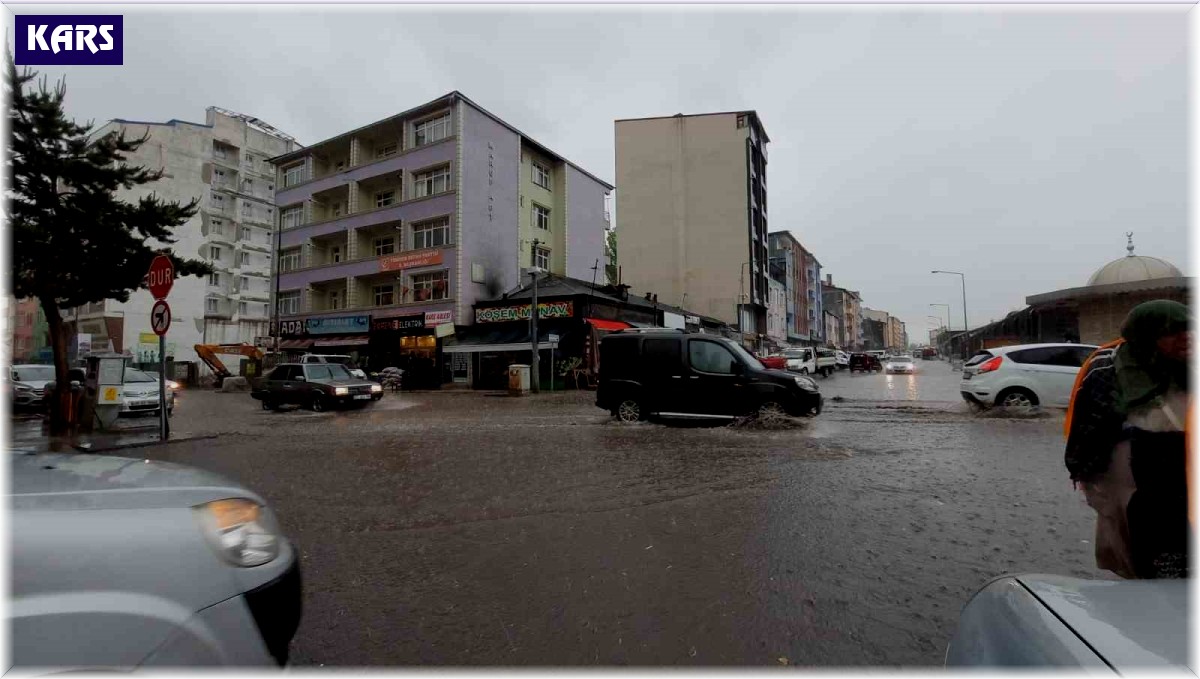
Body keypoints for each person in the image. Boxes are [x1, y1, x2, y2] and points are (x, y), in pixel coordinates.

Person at [1065, 300, 1190, 579]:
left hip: (1184, 475)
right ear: (1147, 333)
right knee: (1135, 547)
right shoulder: (1105, 368)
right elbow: (1088, 425)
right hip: (1130, 478)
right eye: (1173, 331)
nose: (1187, 337)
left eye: (1190, 328)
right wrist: (1083, 471)